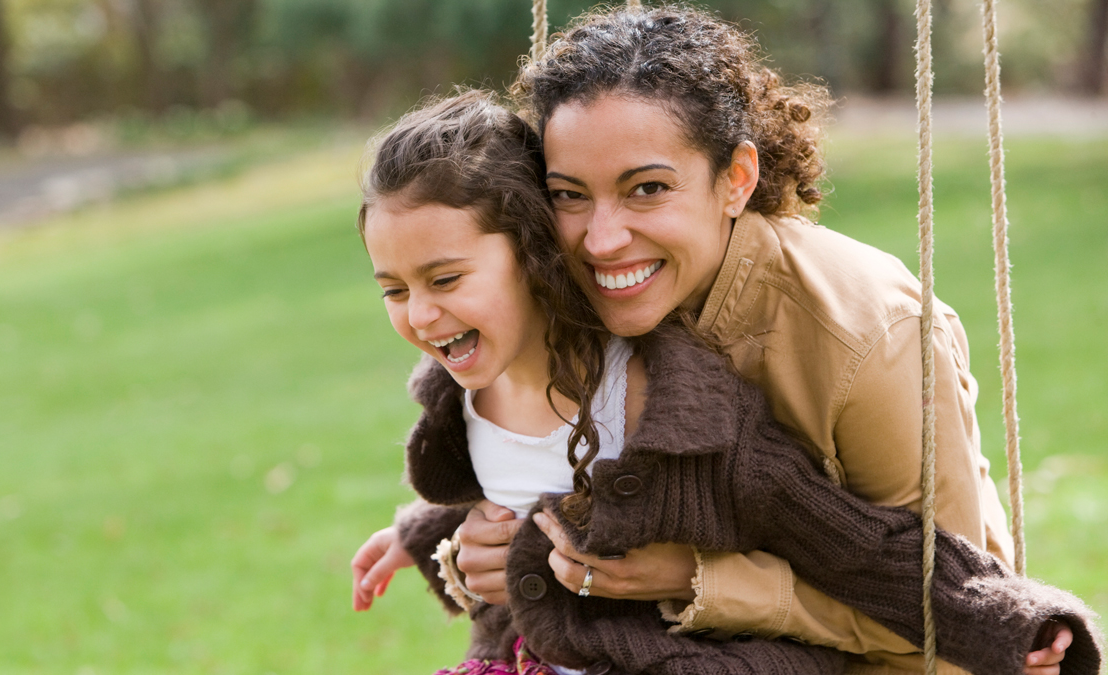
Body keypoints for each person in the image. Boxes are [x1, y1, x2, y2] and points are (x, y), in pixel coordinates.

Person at [354, 6, 1093, 675]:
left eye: (648, 188)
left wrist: (703, 581)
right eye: (569, 194)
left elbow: (934, 604)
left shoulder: (869, 330)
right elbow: (537, 462)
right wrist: (459, 545)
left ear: (736, 177)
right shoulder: (564, 294)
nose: (602, 240)